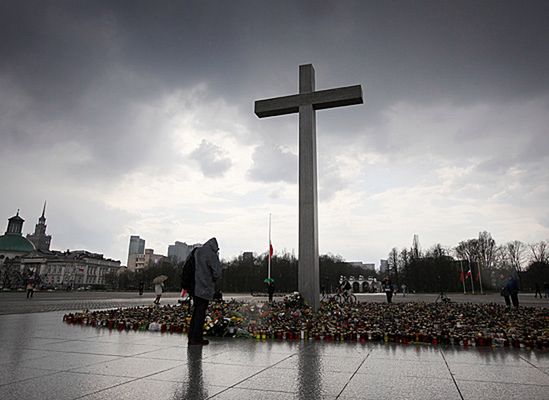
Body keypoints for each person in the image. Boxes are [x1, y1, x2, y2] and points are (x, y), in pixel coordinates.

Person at [188, 237, 222, 346]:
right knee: (200, 313)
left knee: (196, 311)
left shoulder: (197, 251)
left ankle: (191, 336)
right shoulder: (211, 254)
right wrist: (213, 280)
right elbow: (217, 272)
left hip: (194, 286)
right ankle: (197, 338)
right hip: (204, 287)